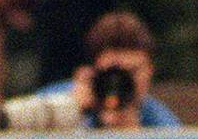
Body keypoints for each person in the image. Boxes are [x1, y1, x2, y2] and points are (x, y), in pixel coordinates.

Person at [35, 11, 179, 129]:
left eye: (133, 72)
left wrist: (131, 134)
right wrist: (70, 113)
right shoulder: (56, 99)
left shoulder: (162, 125)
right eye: (114, 72)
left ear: (149, 71)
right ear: (94, 72)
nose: (121, 82)